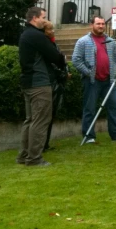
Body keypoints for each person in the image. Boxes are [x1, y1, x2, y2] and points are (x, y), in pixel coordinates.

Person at [16, 7, 66, 167]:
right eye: (43, 17)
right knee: (40, 121)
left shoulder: (26, 34)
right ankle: (34, 158)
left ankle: (24, 155)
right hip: (39, 83)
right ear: (35, 18)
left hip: (28, 82)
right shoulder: (36, 35)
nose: (45, 20)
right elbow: (55, 57)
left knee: (30, 120)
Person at [72, 16, 116, 144]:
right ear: (92, 25)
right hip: (92, 81)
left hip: (109, 81)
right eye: (98, 24)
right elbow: (76, 60)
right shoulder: (83, 41)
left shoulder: (111, 42)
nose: (101, 26)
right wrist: (88, 72)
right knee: (89, 108)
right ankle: (89, 136)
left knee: (115, 107)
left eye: (103, 24)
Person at [42, 22, 69, 152]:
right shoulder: (45, 45)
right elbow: (53, 62)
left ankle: (45, 143)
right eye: (50, 29)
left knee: (51, 115)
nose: (53, 31)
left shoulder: (52, 44)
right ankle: (41, 144)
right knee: (44, 116)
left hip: (56, 81)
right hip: (49, 82)